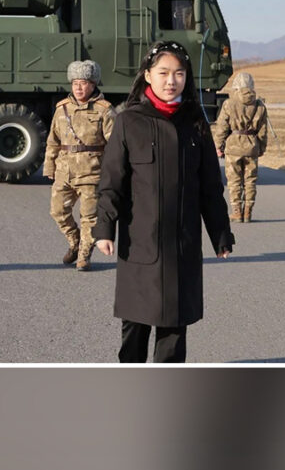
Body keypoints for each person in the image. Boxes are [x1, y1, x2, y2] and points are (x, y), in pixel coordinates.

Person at [93, 40, 234, 363]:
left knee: (174, 324)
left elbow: (210, 187)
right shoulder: (129, 121)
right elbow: (112, 182)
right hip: (140, 243)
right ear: (148, 75)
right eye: (163, 73)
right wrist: (104, 228)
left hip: (182, 243)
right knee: (136, 323)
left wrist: (220, 234)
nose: (172, 81)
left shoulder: (195, 123)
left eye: (179, 74)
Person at [43, 60, 116, 271]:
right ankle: (75, 241)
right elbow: (53, 140)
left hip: (91, 172)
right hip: (64, 171)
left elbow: (115, 145)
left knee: (89, 217)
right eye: (75, 83)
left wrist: (112, 172)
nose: (78, 88)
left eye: (83, 83)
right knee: (57, 211)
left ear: (93, 84)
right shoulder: (62, 109)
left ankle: (84, 255)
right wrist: (49, 166)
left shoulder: (105, 110)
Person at [212, 72, 269, 222]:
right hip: (252, 146)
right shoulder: (260, 106)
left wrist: (218, 146)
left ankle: (237, 211)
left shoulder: (229, 104)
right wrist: (261, 147)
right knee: (250, 180)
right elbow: (263, 131)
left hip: (233, 147)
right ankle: (248, 212)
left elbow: (222, 127)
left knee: (234, 181)